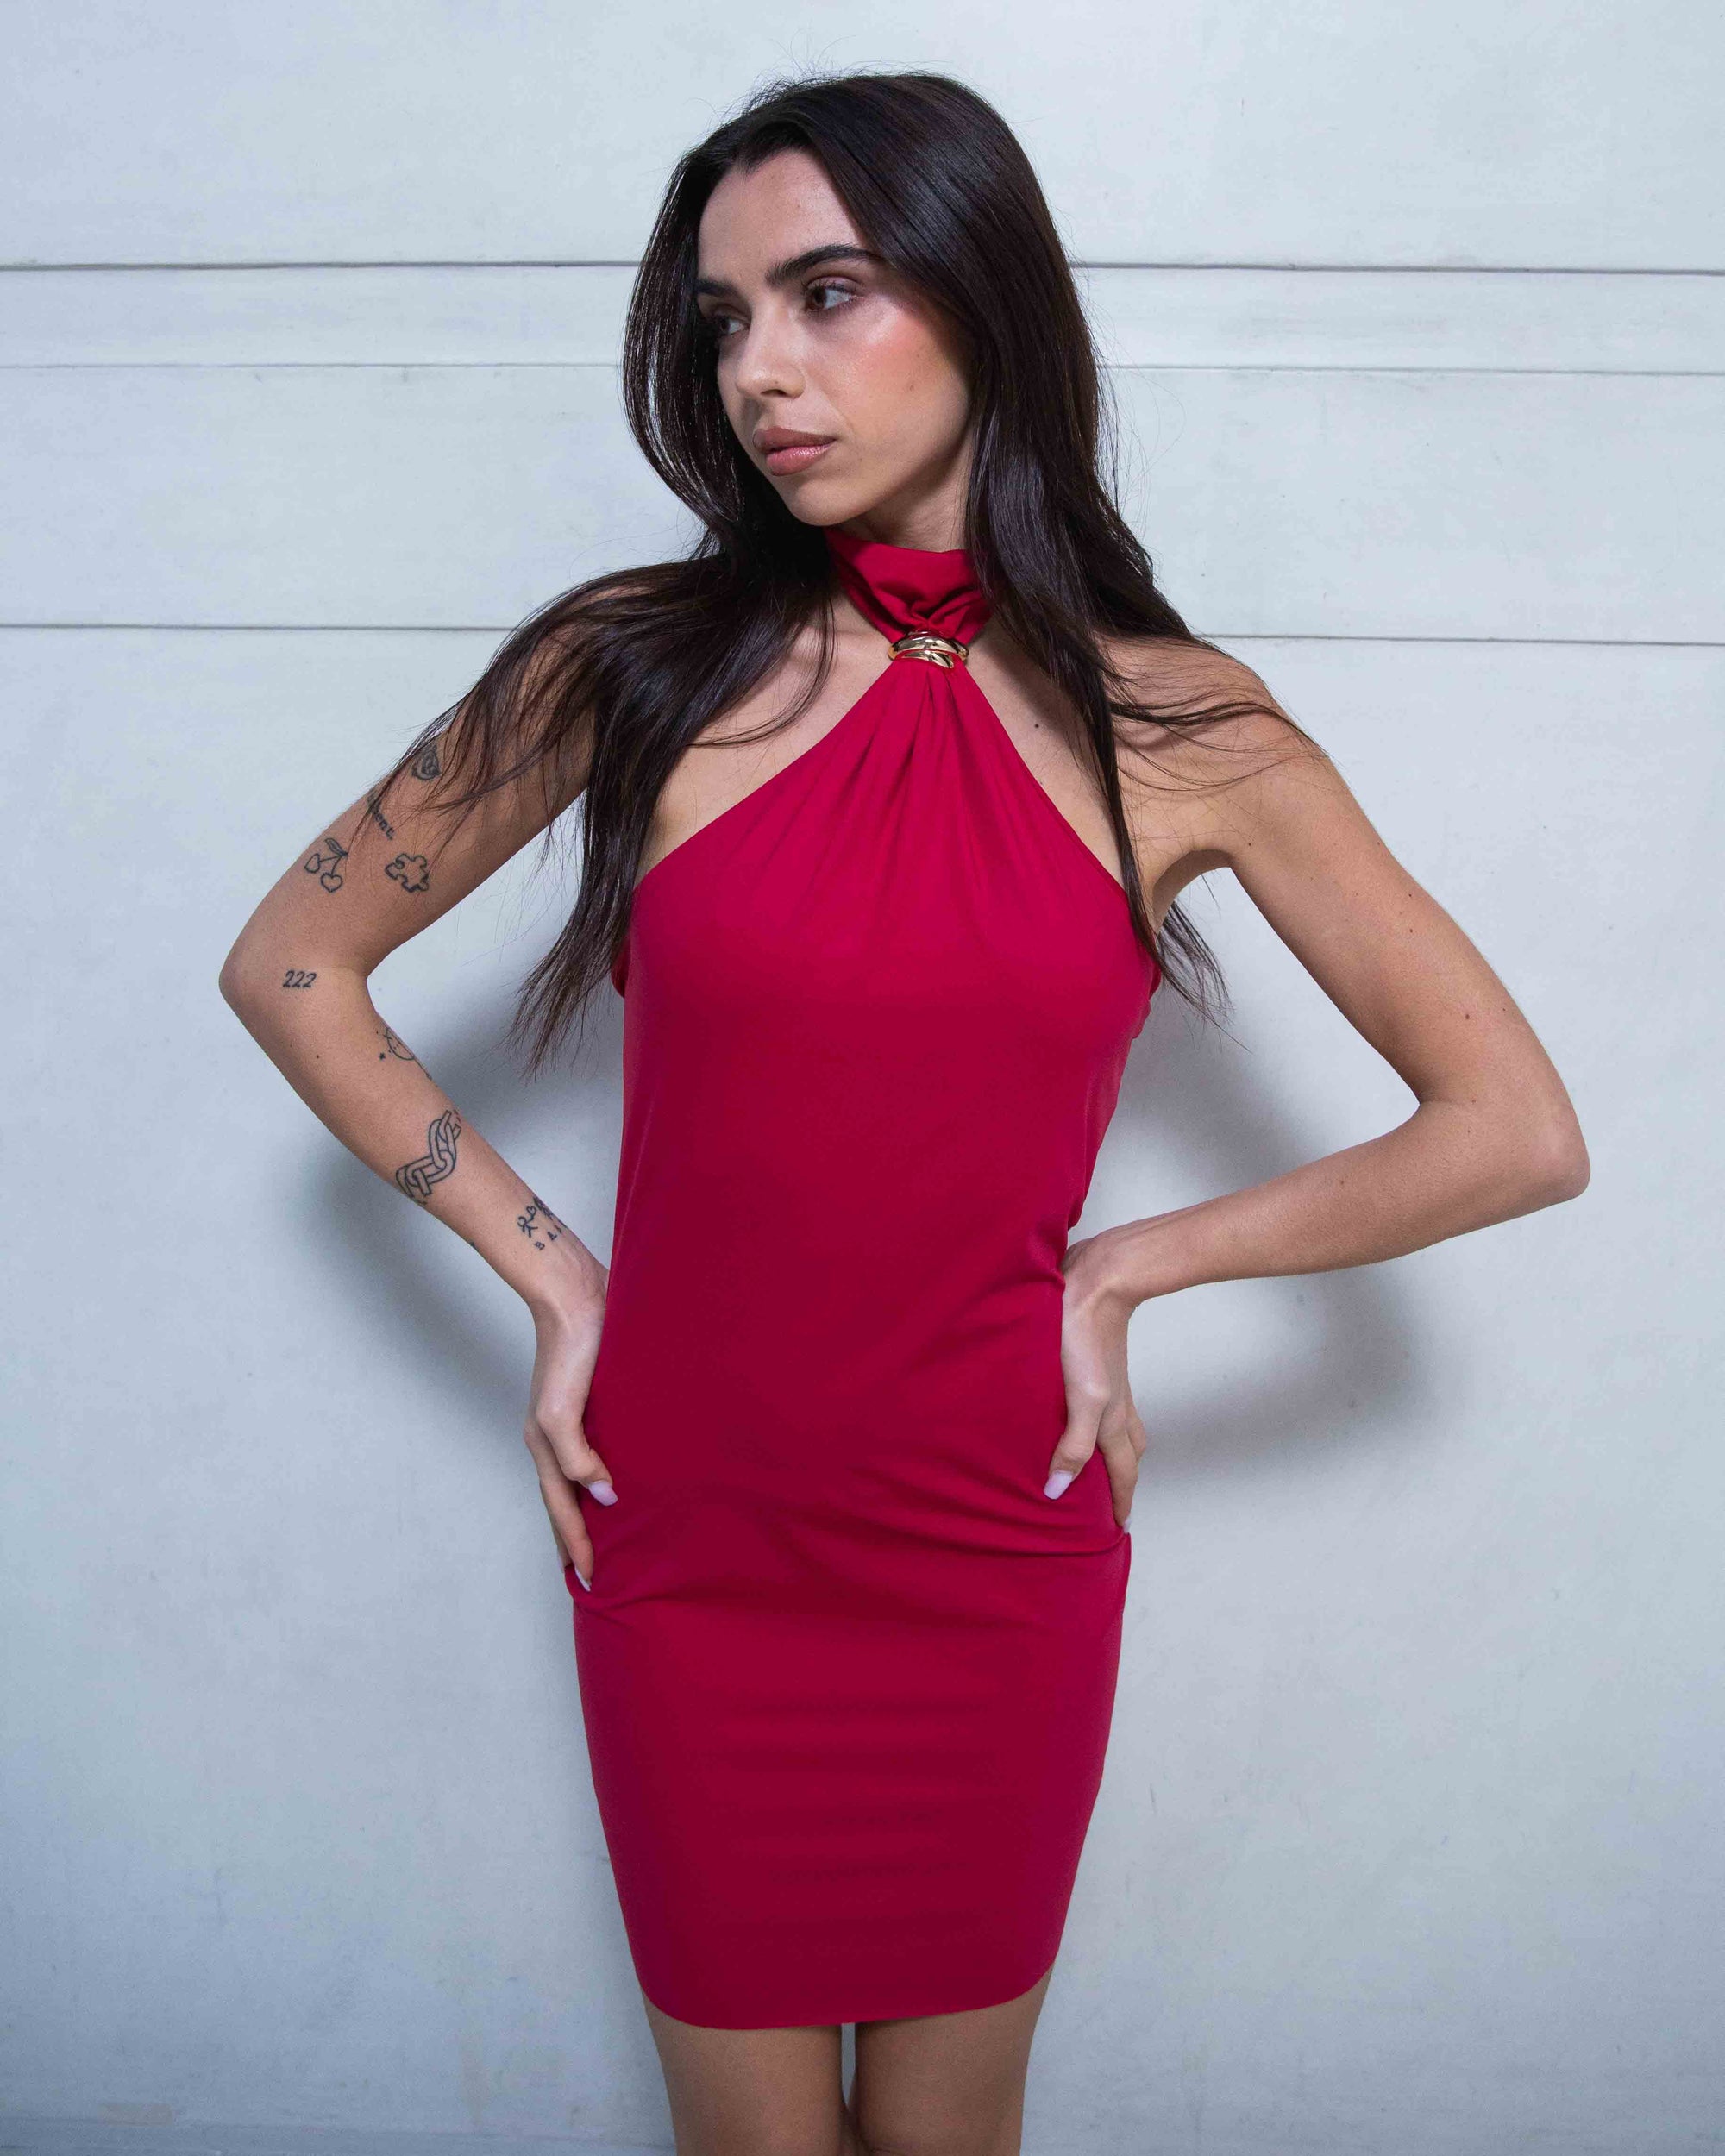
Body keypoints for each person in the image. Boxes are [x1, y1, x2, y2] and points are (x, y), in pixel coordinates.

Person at [219, 67, 1589, 2156]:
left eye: (826, 293)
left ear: (982, 295)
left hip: (991, 1543)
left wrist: (1129, 1265)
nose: (758, 370)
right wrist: (560, 1280)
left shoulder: (1184, 727)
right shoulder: (628, 665)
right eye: (722, 319)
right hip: (693, 1534)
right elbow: (293, 962)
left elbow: (1511, 1125)